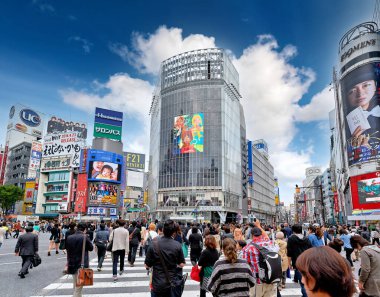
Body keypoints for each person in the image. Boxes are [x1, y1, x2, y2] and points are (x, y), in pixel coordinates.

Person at [144, 220, 186, 297]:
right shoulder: (177, 245)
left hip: (157, 284)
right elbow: (182, 264)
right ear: (173, 233)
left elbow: (147, 265)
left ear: (162, 230)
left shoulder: (153, 244)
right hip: (172, 283)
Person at [242, 219, 278, 297]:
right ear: (261, 234)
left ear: (251, 235)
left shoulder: (248, 248)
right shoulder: (271, 244)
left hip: (257, 280)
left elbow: (244, 265)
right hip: (272, 278)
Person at [65, 222, 93, 297]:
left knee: (75, 283)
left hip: (72, 262)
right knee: (80, 285)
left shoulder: (69, 237)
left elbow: (67, 249)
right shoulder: (85, 237)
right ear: (85, 229)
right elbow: (91, 248)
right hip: (82, 263)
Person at [286, 223, 312, 297]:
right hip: (307, 262)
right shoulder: (306, 238)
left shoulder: (291, 238)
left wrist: (289, 263)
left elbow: (289, 252)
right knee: (306, 281)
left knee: (303, 283)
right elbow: (311, 250)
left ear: (293, 230)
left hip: (297, 262)